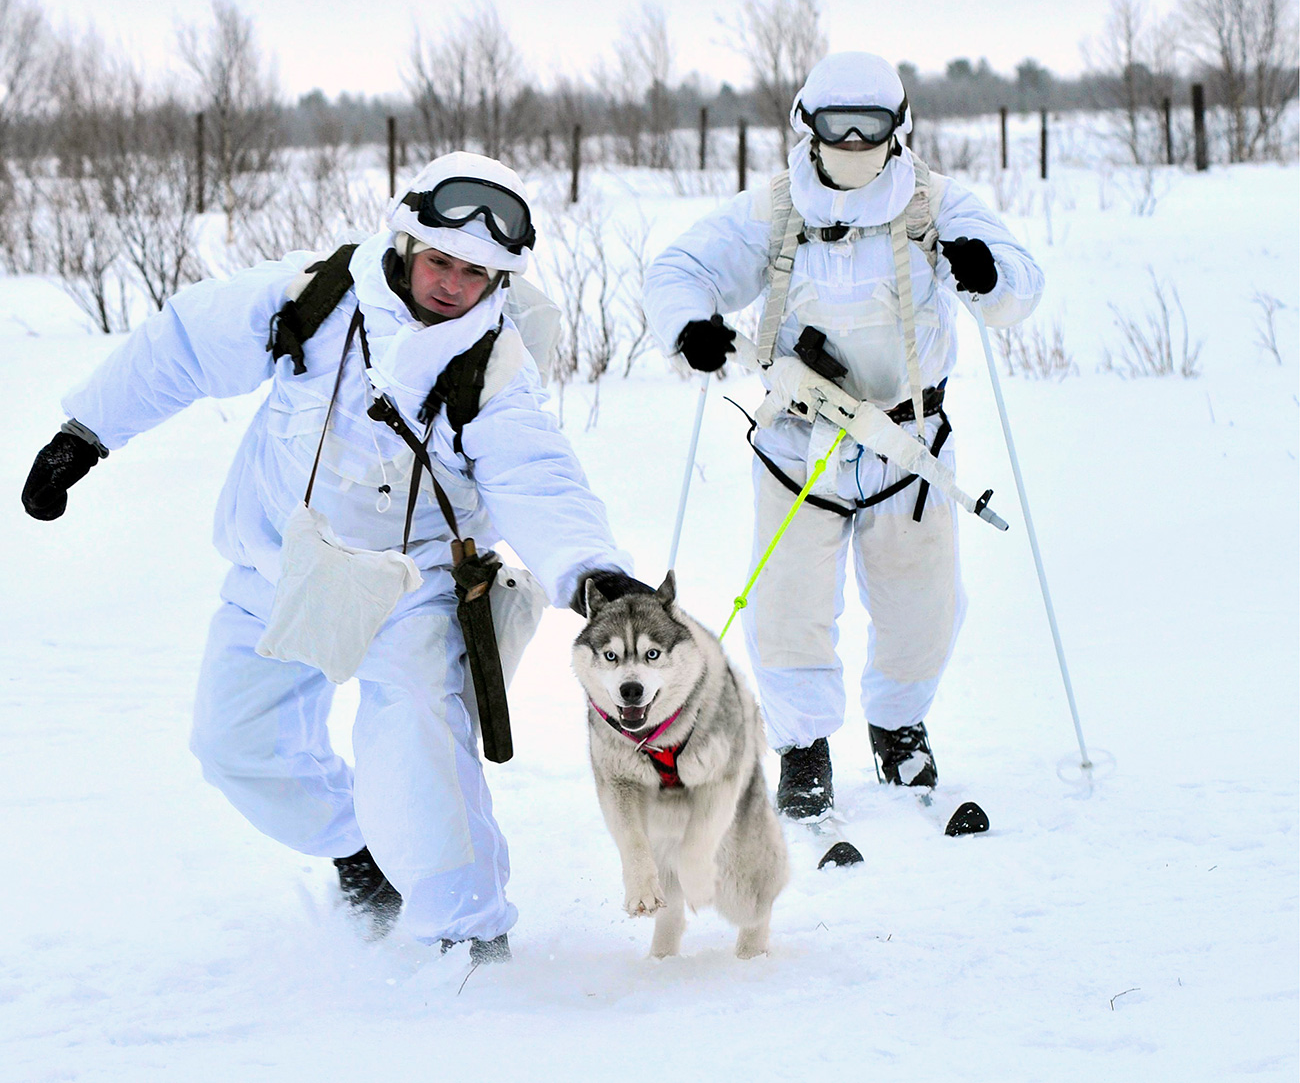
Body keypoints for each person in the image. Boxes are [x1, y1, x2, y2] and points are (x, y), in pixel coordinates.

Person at [21, 151, 645, 961]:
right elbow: (180, 345)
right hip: (281, 568)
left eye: (477, 274)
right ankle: (356, 851)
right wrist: (86, 433)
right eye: (441, 261)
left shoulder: (494, 370)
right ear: (406, 242)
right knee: (235, 746)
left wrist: (591, 570)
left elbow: (537, 475)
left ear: (500, 283)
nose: (453, 283)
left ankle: (469, 936)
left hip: (411, 588)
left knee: (419, 755)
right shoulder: (312, 299)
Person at [642, 53, 1044, 820]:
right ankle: (803, 748)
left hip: (912, 440)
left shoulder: (937, 203)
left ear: (901, 128)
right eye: (837, 125)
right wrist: (690, 325)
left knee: (922, 606)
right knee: (788, 609)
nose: (853, 141)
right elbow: (681, 267)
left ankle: (899, 727)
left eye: (872, 125)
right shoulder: (773, 208)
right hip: (800, 439)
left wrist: (988, 274)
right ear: (807, 125)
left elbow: (1021, 285)